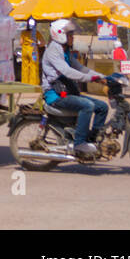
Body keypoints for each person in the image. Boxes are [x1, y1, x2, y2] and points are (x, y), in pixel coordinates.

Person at [42, 19, 108, 158]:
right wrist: (92, 78)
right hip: (55, 95)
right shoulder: (53, 50)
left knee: (102, 106)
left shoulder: (65, 51)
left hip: (67, 92)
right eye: (70, 35)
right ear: (60, 35)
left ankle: (92, 140)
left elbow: (81, 68)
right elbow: (68, 72)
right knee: (87, 106)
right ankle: (79, 144)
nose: (73, 37)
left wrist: (103, 77)